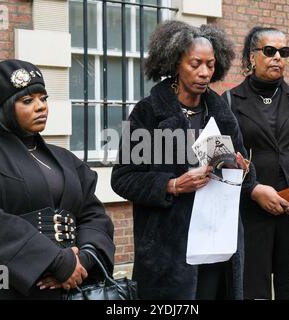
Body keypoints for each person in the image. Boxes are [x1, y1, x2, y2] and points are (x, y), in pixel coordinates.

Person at [0, 59, 115, 299]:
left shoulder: (66, 160)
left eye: (43, 99)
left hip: (69, 288)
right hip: (4, 285)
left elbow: (94, 215)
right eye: (28, 101)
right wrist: (55, 261)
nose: (41, 107)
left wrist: (84, 258)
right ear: (5, 108)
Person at [111, 20, 256, 300]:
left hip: (218, 247)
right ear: (176, 62)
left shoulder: (222, 114)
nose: (204, 73)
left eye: (210, 65)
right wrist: (173, 184)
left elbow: (244, 181)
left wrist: (243, 171)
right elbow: (123, 178)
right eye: (195, 64)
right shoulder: (148, 113)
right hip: (168, 253)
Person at [224, 27, 289, 299]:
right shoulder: (229, 101)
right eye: (269, 51)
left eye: (284, 52)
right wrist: (253, 190)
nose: (278, 58)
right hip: (252, 217)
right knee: (252, 292)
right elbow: (223, 161)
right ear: (251, 57)